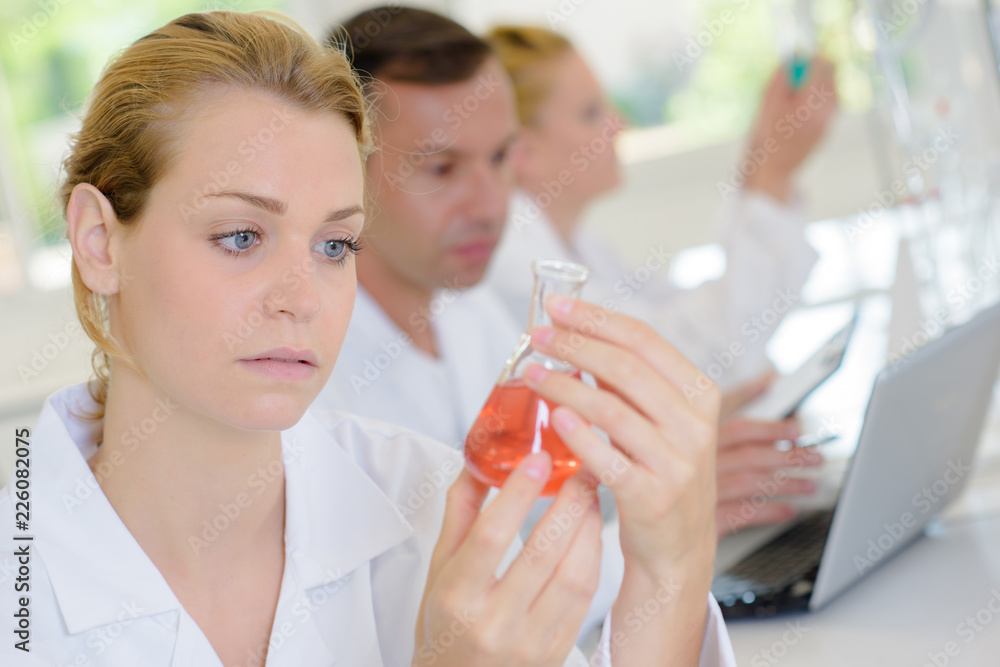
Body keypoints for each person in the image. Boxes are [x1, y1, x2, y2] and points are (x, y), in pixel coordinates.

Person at [0, 10, 736, 667]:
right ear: (99, 242)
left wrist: (670, 571)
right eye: (240, 236)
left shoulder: (427, 498)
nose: (301, 300)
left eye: (334, 246)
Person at [484, 24, 837, 533]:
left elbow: (697, 335)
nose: (620, 124)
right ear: (524, 151)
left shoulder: (583, 246)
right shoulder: (514, 265)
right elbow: (709, 352)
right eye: (591, 113)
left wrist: (763, 161)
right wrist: (772, 170)